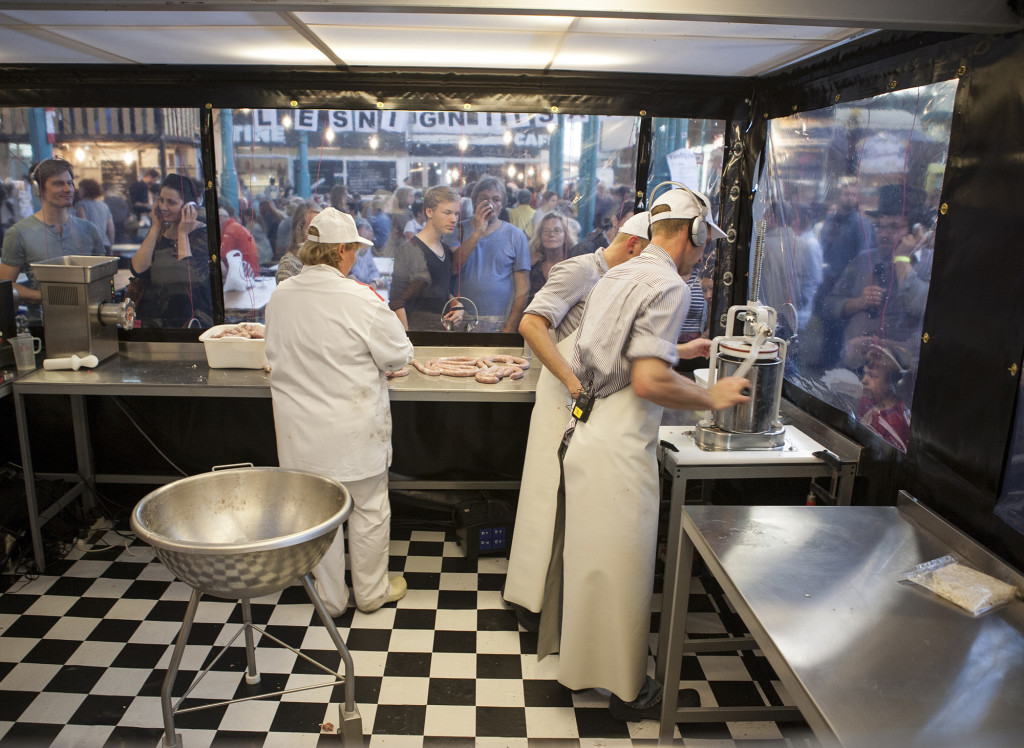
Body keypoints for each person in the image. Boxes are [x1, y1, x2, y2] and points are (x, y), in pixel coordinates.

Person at [535, 186, 749, 722]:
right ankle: (629, 692)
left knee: (591, 567)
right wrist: (710, 396)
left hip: (588, 435)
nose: (704, 254)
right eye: (704, 242)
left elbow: (623, 350)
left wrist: (682, 350)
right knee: (625, 572)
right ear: (693, 232)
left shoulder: (620, 273)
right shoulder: (670, 285)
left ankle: (579, 671)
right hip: (621, 448)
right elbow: (649, 380)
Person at [505, 210, 672, 631]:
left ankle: (560, 600)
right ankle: (531, 601)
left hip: (583, 398)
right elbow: (532, 323)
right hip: (561, 395)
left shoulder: (621, 282)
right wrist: (571, 381)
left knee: (569, 500)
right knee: (547, 493)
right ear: (634, 245)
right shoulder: (581, 270)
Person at [265, 207, 414, 616]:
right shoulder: (358, 298)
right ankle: (370, 593)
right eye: (353, 249)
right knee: (367, 510)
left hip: (300, 436)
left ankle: (331, 599)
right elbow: (399, 353)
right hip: (354, 433)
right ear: (341, 251)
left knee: (320, 515)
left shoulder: (280, 296)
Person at [823, 184, 929, 370]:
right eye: (879, 227)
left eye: (894, 227)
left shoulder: (928, 263)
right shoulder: (865, 259)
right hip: (852, 367)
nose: (884, 234)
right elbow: (829, 305)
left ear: (915, 231)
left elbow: (919, 305)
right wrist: (857, 303)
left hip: (896, 374)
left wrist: (902, 259)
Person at [1, 158, 105, 323]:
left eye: (70, 183)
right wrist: (45, 297)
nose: (67, 189)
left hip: (90, 321)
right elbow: (5, 286)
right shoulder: (19, 233)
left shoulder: (89, 229)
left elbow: (104, 278)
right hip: (43, 326)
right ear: (38, 189)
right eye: (58, 184)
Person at [129, 174, 211, 328]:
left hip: (191, 322)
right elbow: (138, 269)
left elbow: (188, 278)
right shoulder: (159, 231)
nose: (163, 207)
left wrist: (182, 234)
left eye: (171, 202)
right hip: (155, 322)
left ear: (189, 206)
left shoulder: (204, 235)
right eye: (161, 200)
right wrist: (155, 227)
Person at [453, 176, 530, 332]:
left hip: (499, 322)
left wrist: (510, 327)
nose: (490, 204)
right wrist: (477, 232)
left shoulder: (515, 235)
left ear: (502, 204)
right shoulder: (458, 230)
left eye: (496, 199)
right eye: (484, 199)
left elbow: (523, 288)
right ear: (474, 201)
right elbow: (454, 266)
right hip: (460, 320)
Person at [390, 185, 461, 330]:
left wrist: (456, 304)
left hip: (442, 332)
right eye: (447, 212)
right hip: (418, 333)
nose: (454, 219)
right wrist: (408, 341)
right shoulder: (408, 250)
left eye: (456, 214)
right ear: (429, 211)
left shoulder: (446, 250)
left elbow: (437, 289)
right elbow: (397, 302)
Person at [856, 343, 912, 451]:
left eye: (872, 376)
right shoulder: (866, 401)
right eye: (865, 373)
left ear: (890, 382)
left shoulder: (897, 421)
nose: (864, 380)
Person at [528, 212, 578, 298]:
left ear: (565, 236)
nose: (551, 234)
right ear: (540, 236)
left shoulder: (574, 265)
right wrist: (527, 267)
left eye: (557, 230)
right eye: (546, 231)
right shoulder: (534, 267)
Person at [568, 200, 635, 258]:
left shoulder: (631, 252)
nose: (635, 230)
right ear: (615, 221)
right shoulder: (587, 250)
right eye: (631, 223)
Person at [275, 202, 318, 284]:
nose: (320, 233)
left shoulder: (327, 260)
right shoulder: (289, 264)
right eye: (313, 229)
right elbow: (284, 295)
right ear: (299, 231)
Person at [74, 178, 115, 253]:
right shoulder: (104, 206)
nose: (78, 191)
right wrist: (111, 247)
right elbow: (111, 230)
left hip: (91, 247)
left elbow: (83, 227)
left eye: (80, 189)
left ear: (85, 190)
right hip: (105, 245)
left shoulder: (81, 205)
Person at [218, 205, 259, 274]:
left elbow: (223, 254)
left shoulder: (228, 230)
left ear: (220, 218)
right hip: (250, 269)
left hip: (244, 273)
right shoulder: (234, 226)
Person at [348, 217, 382, 286]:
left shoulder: (367, 251)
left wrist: (374, 282)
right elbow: (350, 277)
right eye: (367, 238)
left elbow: (374, 271)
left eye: (371, 239)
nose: (369, 242)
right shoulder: (348, 253)